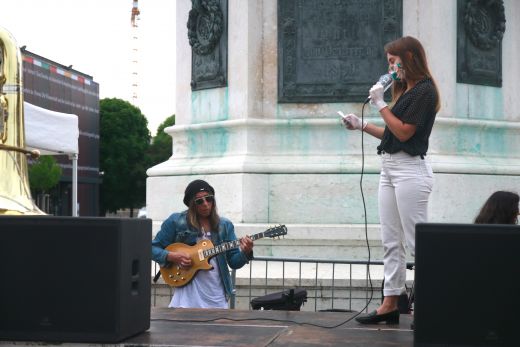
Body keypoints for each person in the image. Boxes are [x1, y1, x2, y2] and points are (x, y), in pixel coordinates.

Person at [341, 36, 440, 324]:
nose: (390, 67)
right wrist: (360, 124)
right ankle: (391, 302)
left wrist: (380, 104)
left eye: (392, 61)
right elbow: (392, 133)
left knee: (415, 241)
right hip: (390, 167)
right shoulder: (406, 91)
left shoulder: (425, 90)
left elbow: (406, 133)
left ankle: (429, 303)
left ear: (408, 57)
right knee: (390, 240)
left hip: (411, 170)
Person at [151, 179, 254, 308]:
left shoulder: (225, 225)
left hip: (216, 297)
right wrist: (172, 256)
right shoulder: (176, 221)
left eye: (209, 199)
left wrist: (246, 252)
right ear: (191, 204)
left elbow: (234, 262)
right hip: (186, 297)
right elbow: (151, 248)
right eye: (199, 201)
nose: (205, 204)